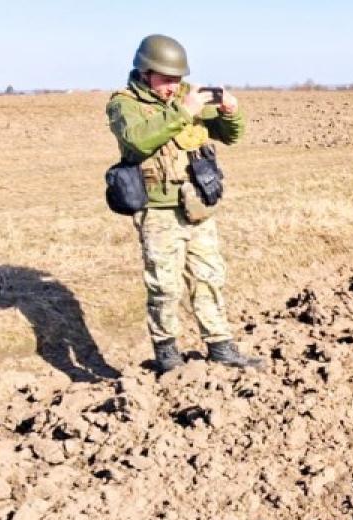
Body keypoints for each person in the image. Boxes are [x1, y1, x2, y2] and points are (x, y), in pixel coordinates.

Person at [106, 34, 262, 372]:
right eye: (165, 79)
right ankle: (167, 354)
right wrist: (183, 110)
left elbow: (231, 136)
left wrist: (230, 112)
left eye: (176, 79)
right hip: (158, 209)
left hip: (197, 204)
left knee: (209, 276)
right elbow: (137, 142)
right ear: (145, 72)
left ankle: (221, 346)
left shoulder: (186, 97)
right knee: (164, 284)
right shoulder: (125, 104)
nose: (172, 86)